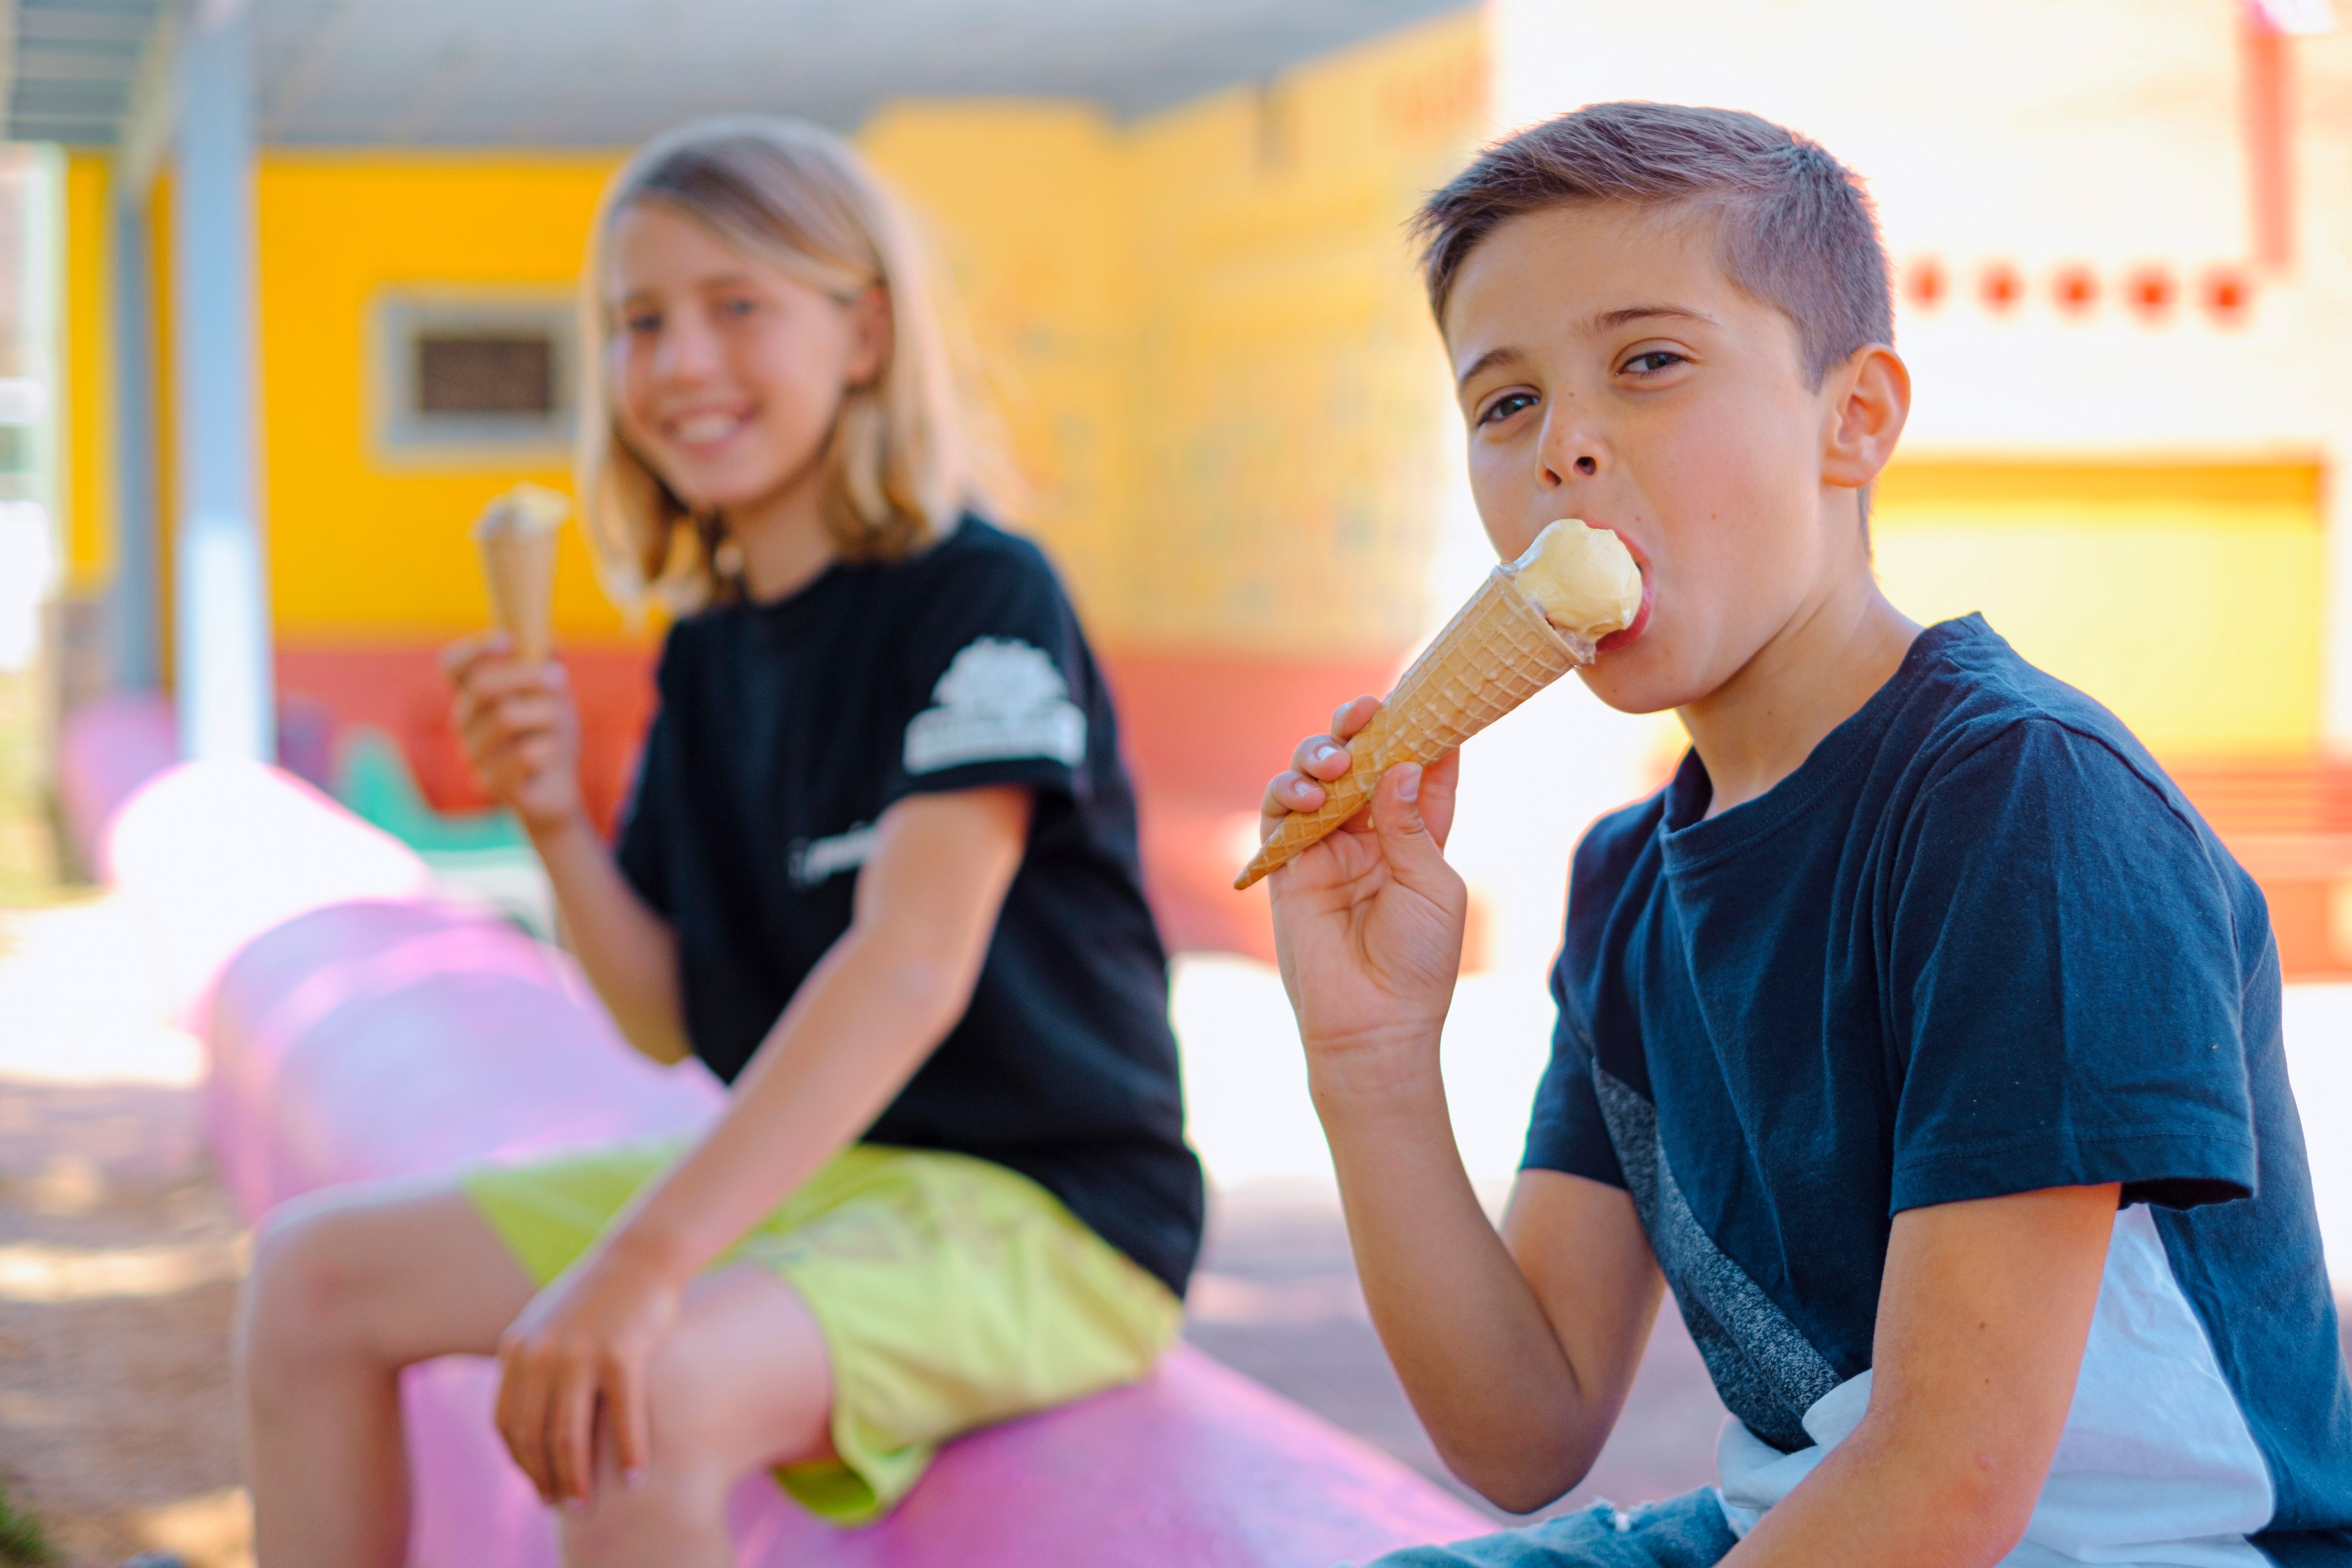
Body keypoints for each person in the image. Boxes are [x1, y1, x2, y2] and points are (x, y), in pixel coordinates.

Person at [1260, 103, 2351, 1567]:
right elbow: (1523, 1427)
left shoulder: (2023, 801)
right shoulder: (1624, 883)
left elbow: (1940, 1487)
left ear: (1855, 419)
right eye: (1502, 403)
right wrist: (1368, 1059)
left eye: (1647, 362)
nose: (1562, 449)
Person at [236, 118, 1202, 1568]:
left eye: (735, 306)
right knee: (311, 1278)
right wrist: (553, 816)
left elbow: (908, 967)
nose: (679, 361)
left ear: (863, 333)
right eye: (637, 322)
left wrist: (642, 1261)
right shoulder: (707, 647)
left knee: (642, 1391)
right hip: (839, 1179)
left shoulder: (983, 600)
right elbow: (658, 1012)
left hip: (1052, 1214)